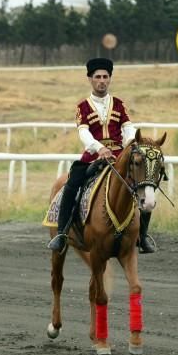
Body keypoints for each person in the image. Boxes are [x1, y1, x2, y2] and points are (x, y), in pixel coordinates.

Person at [48, 58, 156, 253]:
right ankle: (62, 233)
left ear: (110, 79)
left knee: (143, 184)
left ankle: (143, 235)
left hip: (119, 156)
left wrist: (130, 144)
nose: (102, 81)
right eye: (98, 77)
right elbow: (83, 133)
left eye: (105, 77)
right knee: (72, 186)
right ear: (90, 79)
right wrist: (98, 148)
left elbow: (128, 128)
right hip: (93, 157)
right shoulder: (83, 106)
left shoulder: (120, 104)